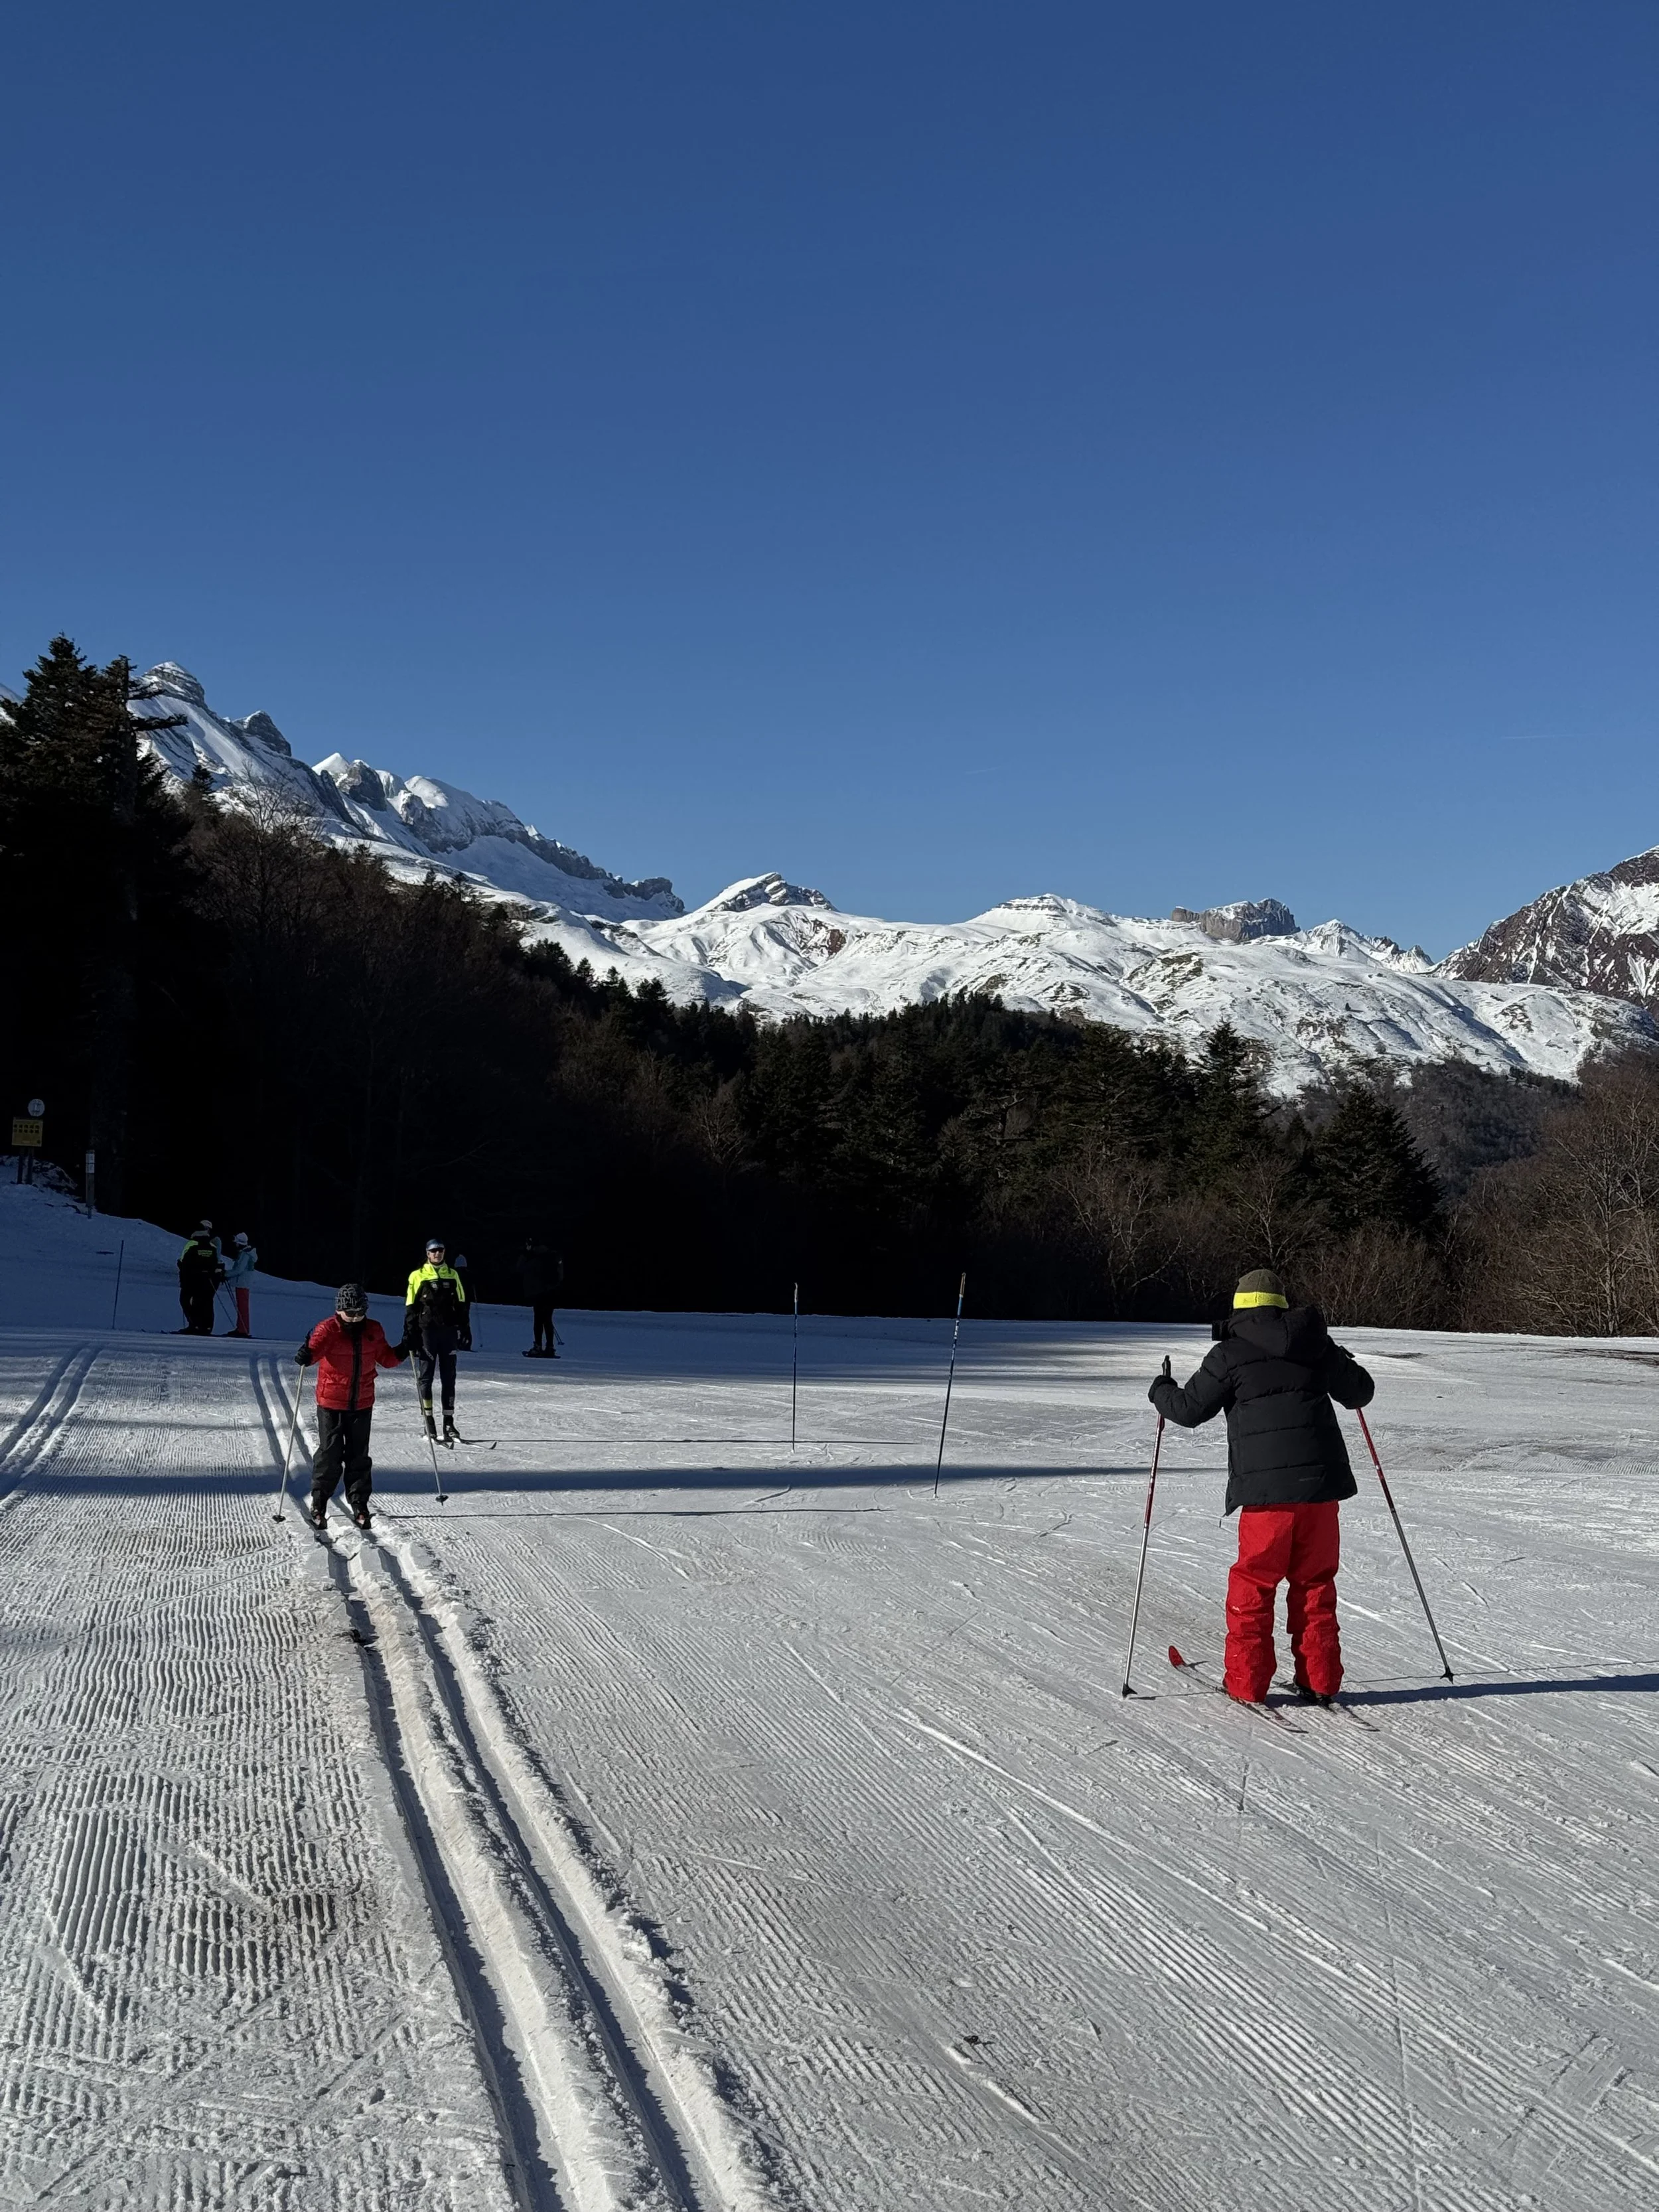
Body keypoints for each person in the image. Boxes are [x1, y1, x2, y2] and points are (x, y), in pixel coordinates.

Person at [1149, 1267, 1374, 1707]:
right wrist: (1339, 1361)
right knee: (1315, 1582)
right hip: (1320, 1490)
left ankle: (1247, 1683)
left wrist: (1161, 1389)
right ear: (1281, 1306)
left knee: (1255, 1583)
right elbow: (1360, 1391)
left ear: (1239, 1308)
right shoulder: (1315, 1343)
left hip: (1266, 1495)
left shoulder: (1229, 1354)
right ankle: (1321, 1678)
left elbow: (1189, 1410)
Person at [296, 1283, 408, 1529]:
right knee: (330, 1453)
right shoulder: (328, 1329)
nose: (356, 1318)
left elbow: (386, 1359)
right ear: (339, 1311)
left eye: (360, 1312)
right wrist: (306, 1354)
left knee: (358, 1455)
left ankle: (359, 1503)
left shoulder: (373, 1329)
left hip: (362, 1402)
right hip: (331, 1403)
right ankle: (319, 1501)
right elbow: (314, 1352)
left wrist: (404, 1349)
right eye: (350, 1313)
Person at [403, 1236, 470, 1443]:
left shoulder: (452, 1275)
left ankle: (448, 1422)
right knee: (426, 1377)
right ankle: (429, 1421)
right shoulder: (418, 1275)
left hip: (448, 1332)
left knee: (449, 1377)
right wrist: (410, 1335)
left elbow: (461, 1303)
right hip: (427, 1332)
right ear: (427, 1253)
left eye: (440, 1250)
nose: (438, 1254)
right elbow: (411, 1307)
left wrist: (465, 1328)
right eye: (434, 1251)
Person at [517, 1236, 562, 1357]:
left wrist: (525, 1253)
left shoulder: (535, 1258)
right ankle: (550, 1347)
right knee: (548, 1320)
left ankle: (538, 1346)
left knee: (538, 1321)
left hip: (539, 1293)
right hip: (552, 1293)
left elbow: (520, 1269)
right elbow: (560, 1276)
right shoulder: (552, 1256)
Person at [176, 1224, 223, 1335]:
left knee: (185, 1301)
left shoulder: (191, 1244)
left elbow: (183, 1261)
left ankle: (194, 1325)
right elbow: (215, 1263)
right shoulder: (212, 1246)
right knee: (206, 1303)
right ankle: (207, 1327)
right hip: (208, 1280)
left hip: (191, 1279)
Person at [222, 1232, 257, 1337]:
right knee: (242, 1307)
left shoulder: (245, 1254)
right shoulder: (247, 1253)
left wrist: (225, 1274)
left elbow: (239, 1270)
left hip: (242, 1283)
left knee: (242, 1307)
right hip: (243, 1283)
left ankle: (243, 1329)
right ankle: (241, 1328)